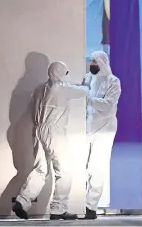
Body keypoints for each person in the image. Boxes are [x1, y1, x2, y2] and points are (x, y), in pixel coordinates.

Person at [12, 61, 88, 220]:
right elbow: (84, 91)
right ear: (61, 73)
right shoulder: (63, 88)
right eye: (66, 72)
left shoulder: (40, 89)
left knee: (41, 170)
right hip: (55, 133)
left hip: (39, 131)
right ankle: (58, 209)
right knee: (65, 170)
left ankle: (22, 200)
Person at [82, 51, 121, 220]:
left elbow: (108, 106)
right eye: (91, 61)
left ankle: (91, 206)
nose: (92, 64)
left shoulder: (113, 81)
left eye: (95, 61)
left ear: (103, 63)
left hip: (105, 128)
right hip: (86, 128)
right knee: (82, 167)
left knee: (97, 168)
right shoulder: (87, 79)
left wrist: (89, 99)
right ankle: (78, 204)